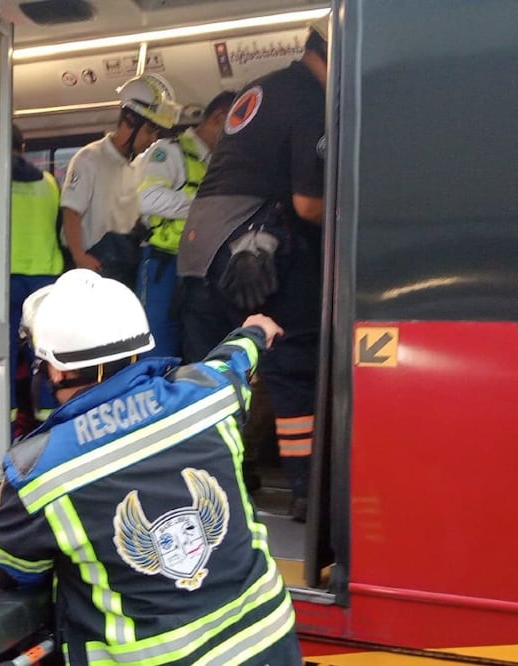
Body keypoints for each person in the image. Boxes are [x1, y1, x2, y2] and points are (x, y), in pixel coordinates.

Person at [0, 269, 299, 665]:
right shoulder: (211, 394)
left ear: (56, 370)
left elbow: (15, 569)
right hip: (270, 645)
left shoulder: (37, 473)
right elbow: (233, 358)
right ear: (137, 349)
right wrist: (255, 331)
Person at [176, 19, 330, 521]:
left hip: (199, 250)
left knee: (212, 376)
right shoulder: (311, 99)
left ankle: (217, 492)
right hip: (248, 248)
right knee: (292, 363)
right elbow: (308, 206)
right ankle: (309, 492)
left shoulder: (262, 87)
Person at [135, 90, 236, 356]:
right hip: (163, 264)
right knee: (160, 345)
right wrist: (203, 206)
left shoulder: (218, 163)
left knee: (200, 346)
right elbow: (146, 198)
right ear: (220, 117)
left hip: (201, 268)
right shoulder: (168, 153)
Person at [0, 124, 63, 427]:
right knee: (44, 350)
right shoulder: (51, 183)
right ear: (23, 148)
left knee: (2, 352)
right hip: (45, 279)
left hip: (3, 278)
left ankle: (1, 419)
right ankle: (51, 412)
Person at [59, 74, 174, 287]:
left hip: (124, 268)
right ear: (130, 120)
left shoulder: (138, 166)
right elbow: (71, 211)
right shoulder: (89, 158)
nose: (153, 140)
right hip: (93, 268)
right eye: (149, 131)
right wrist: (79, 256)